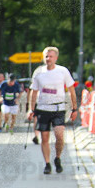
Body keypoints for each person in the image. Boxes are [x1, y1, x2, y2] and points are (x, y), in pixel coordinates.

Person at [27, 46, 77, 175]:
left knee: (59, 135)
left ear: (56, 58)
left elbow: (71, 90)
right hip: (43, 109)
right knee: (44, 138)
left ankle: (58, 157)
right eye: (46, 56)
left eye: (51, 56)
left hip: (58, 108)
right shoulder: (39, 72)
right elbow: (34, 92)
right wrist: (30, 109)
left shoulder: (63, 71)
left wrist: (74, 108)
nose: (48, 59)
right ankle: (47, 163)